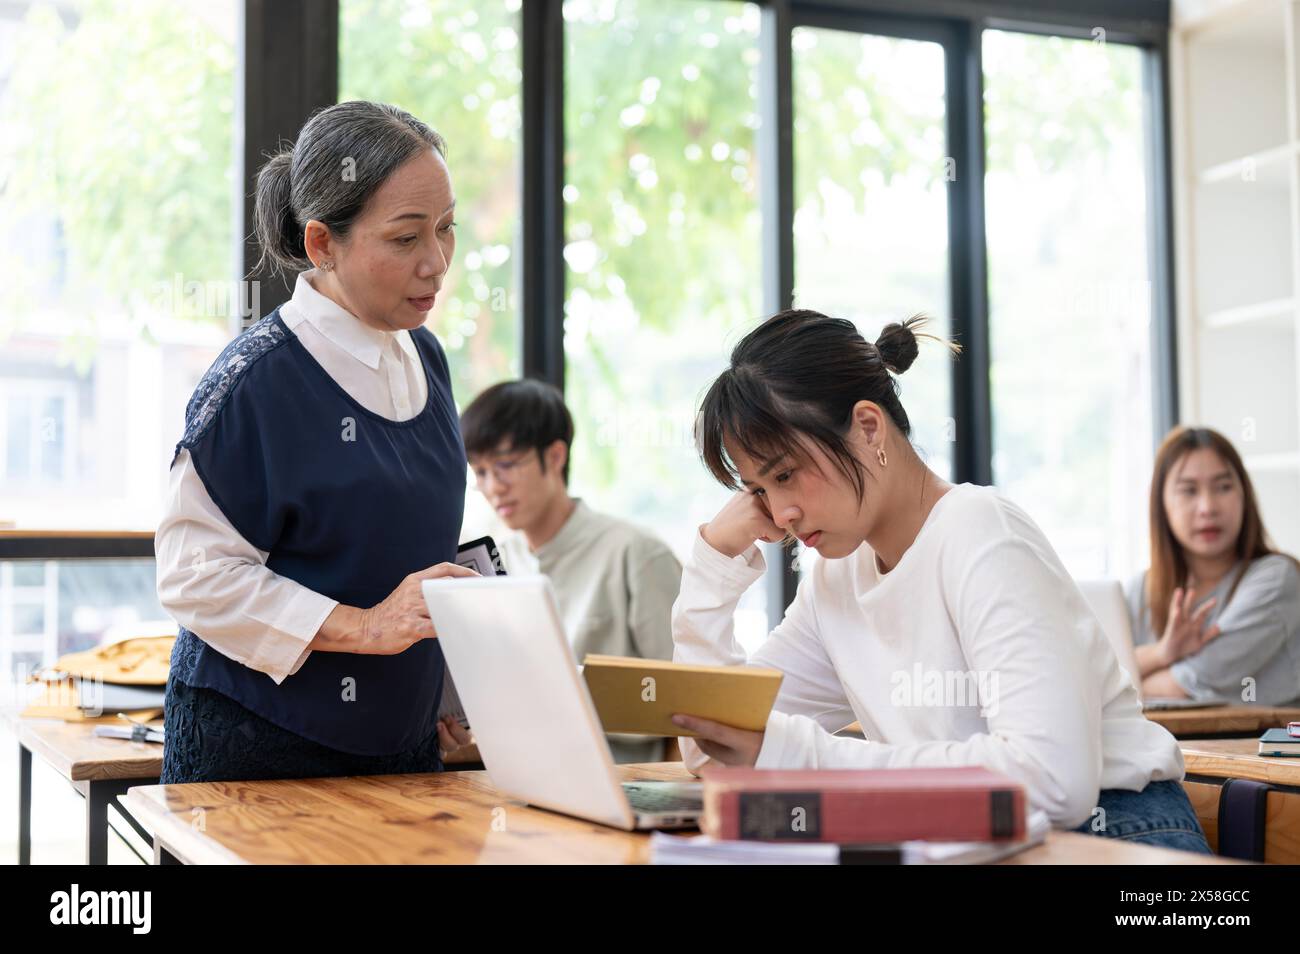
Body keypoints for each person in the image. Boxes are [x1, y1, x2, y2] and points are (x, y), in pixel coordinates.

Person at [669, 309, 1209, 852]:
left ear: (868, 427)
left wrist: (803, 755)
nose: (779, 512)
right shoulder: (836, 578)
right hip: (969, 841)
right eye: (758, 489)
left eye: (784, 474)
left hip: (1115, 837)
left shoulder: (980, 532)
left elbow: (1053, 781)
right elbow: (714, 743)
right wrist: (714, 564)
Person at [155, 101, 477, 783]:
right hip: (260, 747)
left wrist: (450, 691)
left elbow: (398, 546)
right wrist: (364, 628)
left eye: (447, 230)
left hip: (404, 745)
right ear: (322, 244)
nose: (437, 263)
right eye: (405, 238)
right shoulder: (258, 382)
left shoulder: (427, 358)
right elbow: (193, 575)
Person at [460, 379, 682, 762]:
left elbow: (687, 701)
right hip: (519, 770)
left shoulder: (635, 553)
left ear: (556, 456)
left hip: (623, 774)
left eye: (506, 465)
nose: (493, 486)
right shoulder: (494, 564)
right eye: (480, 472)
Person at [1125, 425, 1300, 706]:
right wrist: (1162, 653)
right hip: (1161, 748)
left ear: (1244, 496)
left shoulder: (1276, 579)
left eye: (1223, 487)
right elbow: (1092, 676)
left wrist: (1132, 679)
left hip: (1258, 748)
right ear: (1161, 504)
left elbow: (1200, 677)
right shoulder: (1140, 591)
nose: (1208, 507)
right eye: (1189, 490)